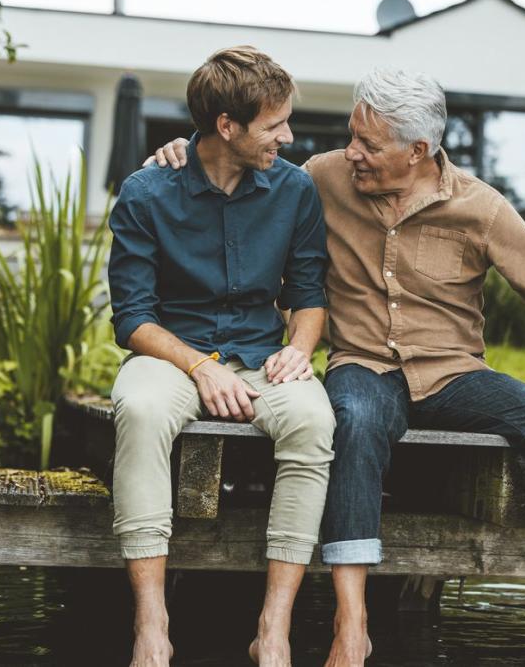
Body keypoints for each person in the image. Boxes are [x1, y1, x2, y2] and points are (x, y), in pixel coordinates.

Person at [152, 68, 525, 667]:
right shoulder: (320, 180)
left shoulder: (479, 207)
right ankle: (351, 629)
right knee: (350, 419)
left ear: (418, 151)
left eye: (368, 145)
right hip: (364, 366)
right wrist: (181, 151)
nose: (351, 152)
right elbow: (238, 169)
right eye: (353, 136)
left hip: (455, 375)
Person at [110, 45, 335, 667]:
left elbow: (310, 294)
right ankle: (152, 626)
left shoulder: (293, 191)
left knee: (314, 422)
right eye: (274, 125)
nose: (288, 137)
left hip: (264, 354)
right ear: (226, 126)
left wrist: (299, 348)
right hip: (173, 353)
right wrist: (200, 366)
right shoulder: (147, 191)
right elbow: (132, 318)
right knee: (141, 409)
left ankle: (274, 628)